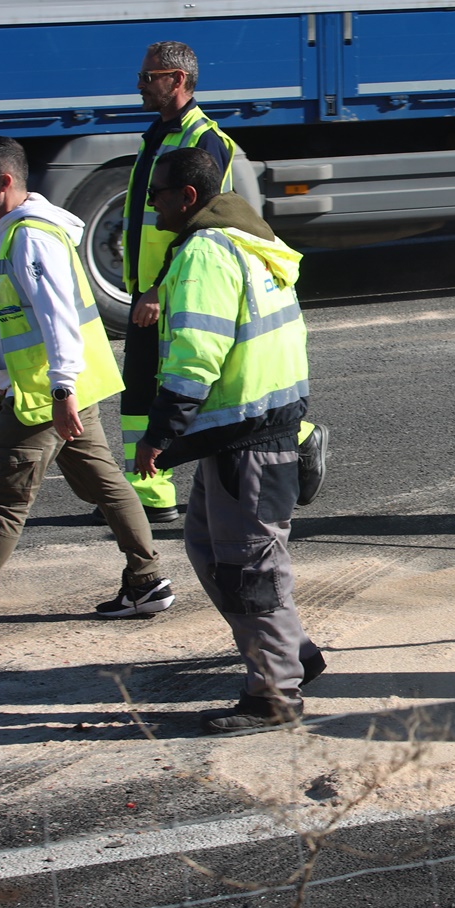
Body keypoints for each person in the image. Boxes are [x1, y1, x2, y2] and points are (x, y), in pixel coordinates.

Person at [0, 137, 174, 635]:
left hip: (45, 398)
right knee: (110, 488)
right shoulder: (16, 233)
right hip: (59, 390)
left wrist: (60, 391)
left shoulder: (31, 238)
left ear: (3, 182)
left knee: (7, 500)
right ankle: (147, 582)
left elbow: (58, 318)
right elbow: (15, 315)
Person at [135, 148, 325, 734]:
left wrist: (158, 436)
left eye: (157, 193)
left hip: (250, 438)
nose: (150, 203)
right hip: (256, 432)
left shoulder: (205, 253)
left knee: (249, 569)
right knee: (208, 548)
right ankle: (292, 655)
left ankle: (275, 695)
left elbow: (196, 358)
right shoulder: (249, 241)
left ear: (187, 197)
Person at [117, 41, 328, 523]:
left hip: (171, 288)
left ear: (178, 80)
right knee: (141, 392)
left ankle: (297, 437)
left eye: (150, 76)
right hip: (152, 286)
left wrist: (157, 287)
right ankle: (151, 493)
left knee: (180, 386)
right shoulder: (160, 134)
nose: (140, 85)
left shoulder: (202, 138)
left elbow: (200, 220)